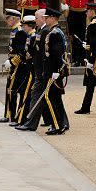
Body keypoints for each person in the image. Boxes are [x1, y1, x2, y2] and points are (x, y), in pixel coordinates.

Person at [17, 9, 52, 131]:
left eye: (36, 18)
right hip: (38, 69)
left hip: (41, 70)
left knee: (37, 96)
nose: (35, 20)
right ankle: (58, 122)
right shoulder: (40, 31)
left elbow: (44, 53)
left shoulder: (45, 31)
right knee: (46, 97)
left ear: (42, 18)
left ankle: (31, 123)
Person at [61, 0, 94, 66]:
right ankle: (75, 59)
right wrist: (65, 7)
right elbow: (65, 2)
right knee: (74, 38)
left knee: (84, 36)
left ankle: (83, 58)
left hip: (84, 15)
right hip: (73, 14)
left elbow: (91, 2)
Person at [42, 7, 69, 135]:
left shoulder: (55, 33)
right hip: (54, 69)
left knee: (50, 97)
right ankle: (60, 124)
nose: (45, 20)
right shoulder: (54, 31)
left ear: (53, 18)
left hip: (54, 70)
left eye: (47, 18)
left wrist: (56, 70)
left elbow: (56, 54)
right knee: (55, 98)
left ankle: (57, 125)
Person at [0, 8, 26, 123]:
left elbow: (22, 52)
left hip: (19, 66)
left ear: (14, 19)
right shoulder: (14, 30)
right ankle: (9, 114)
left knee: (13, 90)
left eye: (8, 18)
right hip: (14, 65)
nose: (6, 21)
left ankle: (13, 115)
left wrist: (13, 62)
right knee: (10, 90)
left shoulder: (20, 31)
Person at [11, 15, 36, 126]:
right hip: (27, 68)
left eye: (24, 25)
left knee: (26, 95)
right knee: (26, 95)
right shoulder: (30, 36)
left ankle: (22, 119)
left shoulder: (34, 36)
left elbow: (30, 54)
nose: (23, 27)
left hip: (31, 69)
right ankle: (20, 118)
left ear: (29, 26)